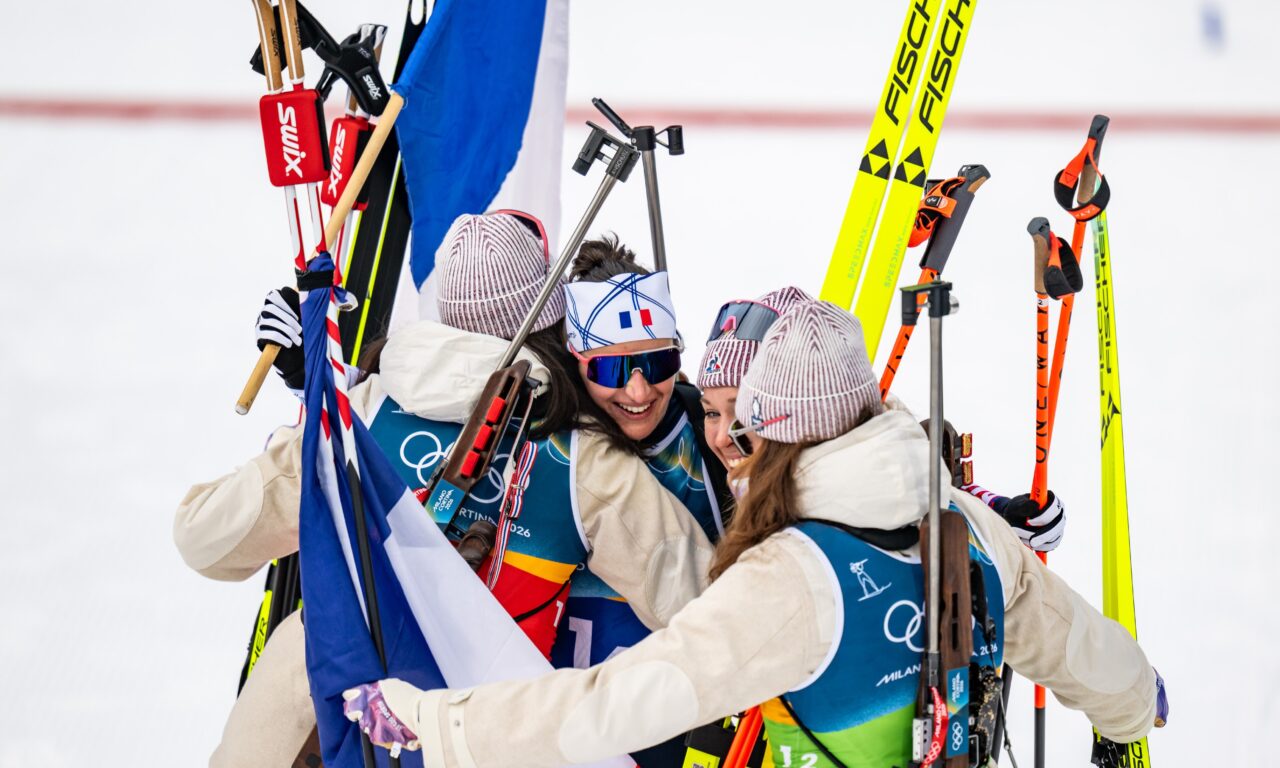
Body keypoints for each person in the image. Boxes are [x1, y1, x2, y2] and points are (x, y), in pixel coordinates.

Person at [346, 300, 1165, 767]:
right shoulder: (961, 522)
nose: (734, 457)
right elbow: (1071, 637)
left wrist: (439, 723)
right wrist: (1134, 701)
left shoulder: (791, 581)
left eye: (751, 438)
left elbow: (615, 706)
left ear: (778, 437)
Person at [174, 212, 714, 767]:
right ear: (554, 323)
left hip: (345, 709)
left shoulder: (361, 414)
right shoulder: (582, 460)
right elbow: (709, 609)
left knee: (303, 645)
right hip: (487, 728)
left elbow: (205, 540)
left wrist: (310, 414)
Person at [697, 285, 1068, 553]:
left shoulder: (859, 456)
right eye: (711, 412)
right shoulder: (696, 466)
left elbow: (915, 491)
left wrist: (1000, 515)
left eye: (743, 411)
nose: (722, 437)